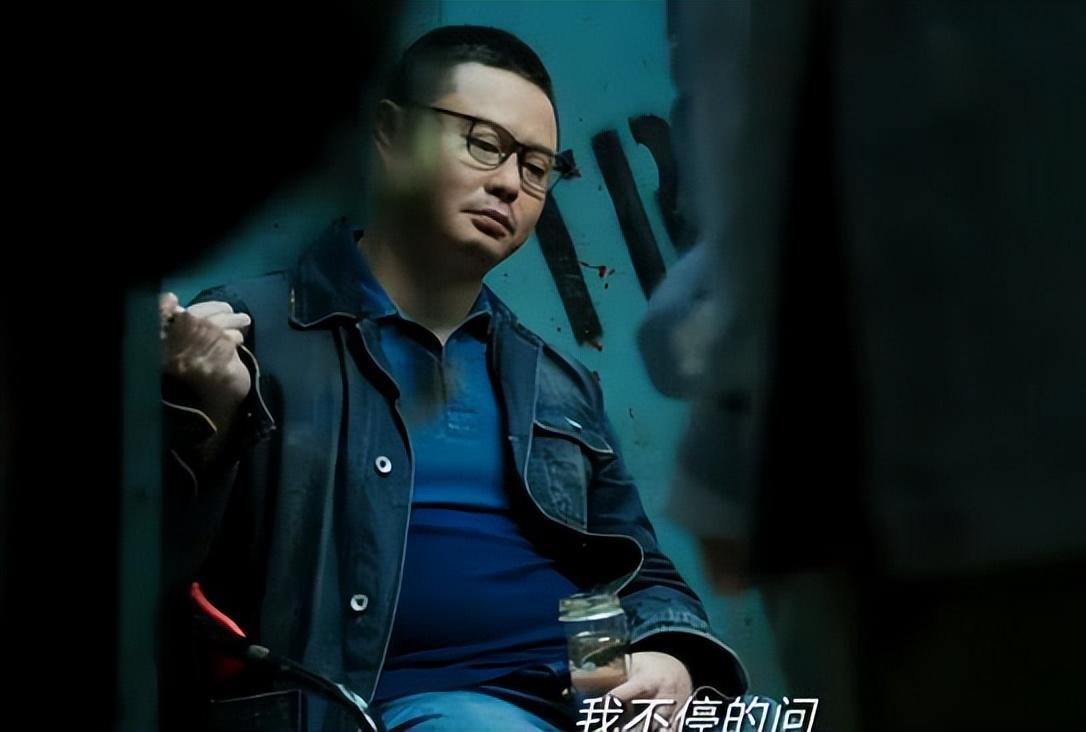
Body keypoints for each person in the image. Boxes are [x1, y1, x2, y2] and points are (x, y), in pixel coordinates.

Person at [159, 25, 748, 732]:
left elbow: (643, 569)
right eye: (484, 143)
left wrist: (672, 656)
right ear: (390, 132)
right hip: (395, 710)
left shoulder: (556, 381)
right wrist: (200, 419)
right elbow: (152, 576)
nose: (510, 183)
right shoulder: (248, 333)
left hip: (585, 701)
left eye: (537, 166)